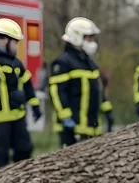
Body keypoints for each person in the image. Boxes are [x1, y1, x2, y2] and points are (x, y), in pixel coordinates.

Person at [0, 18, 40, 170]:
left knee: (24, 150)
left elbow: (27, 84)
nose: (17, 47)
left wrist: (35, 106)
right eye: (15, 42)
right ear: (3, 40)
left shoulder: (15, 63)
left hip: (17, 116)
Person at [48, 17, 113, 145]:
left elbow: (98, 90)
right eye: (89, 38)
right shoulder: (63, 62)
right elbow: (57, 91)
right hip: (71, 129)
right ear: (77, 37)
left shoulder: (91, 64)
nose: (92, 42)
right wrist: (65, 117)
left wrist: (107, 110)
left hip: (91, 128)